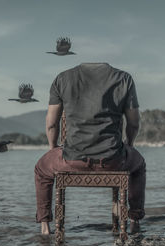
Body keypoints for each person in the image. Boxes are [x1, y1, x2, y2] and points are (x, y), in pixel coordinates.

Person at [34, 62, 146, 235]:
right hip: (113, 160)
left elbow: (51, 124)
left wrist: (53, 149)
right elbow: (133, 123)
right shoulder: (124, 79)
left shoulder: (62, 78)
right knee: (138, 165)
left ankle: (45, 226)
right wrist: (129, 146)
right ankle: (134, 220)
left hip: (71, 160)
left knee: (41, 169)